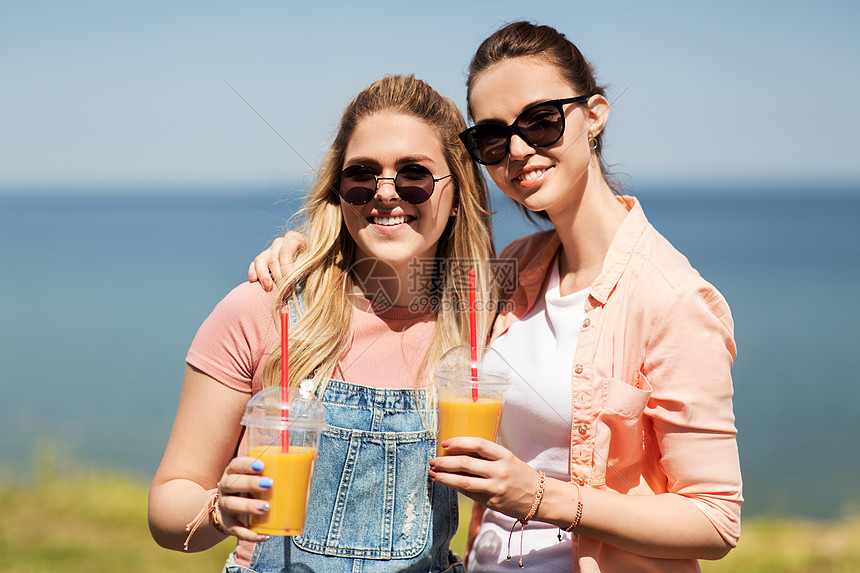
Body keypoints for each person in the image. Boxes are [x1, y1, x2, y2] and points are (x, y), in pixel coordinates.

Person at [249, 21, 743, 572]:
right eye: (492, 135)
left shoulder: (674, 300)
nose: (517, 148)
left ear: (595, 114)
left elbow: (716, 521)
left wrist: (539, 495)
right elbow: (397, 275)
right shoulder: (512, 273)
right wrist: (312, 250)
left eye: (541, 120)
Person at [148, 74, 499, 573]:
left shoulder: (487, 324)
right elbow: (167, 504)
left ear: (457, 190)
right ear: (338, 190)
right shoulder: (264, 310)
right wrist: (219, 510)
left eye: (414, 173)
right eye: (361, 174)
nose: (385, 194)